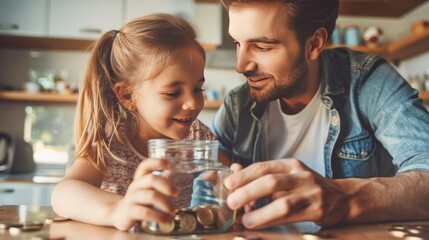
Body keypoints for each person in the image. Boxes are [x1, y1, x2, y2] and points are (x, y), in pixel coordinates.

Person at [213, 0, 429, 229]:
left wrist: (345, 200)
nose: (241, 65)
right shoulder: (237, 105)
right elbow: (207, 187)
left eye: (262, 47)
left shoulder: (367, 81)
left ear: (314, 44)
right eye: (237, 43)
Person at [51, 13, 222, 231]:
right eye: (173, 93)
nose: (192, 103)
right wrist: (119, 210)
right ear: (128, 96)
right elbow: (63, 193)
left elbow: (229, 177)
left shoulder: (198, 135)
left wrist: (235, 184)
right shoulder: (111, 141)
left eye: (197, 88)